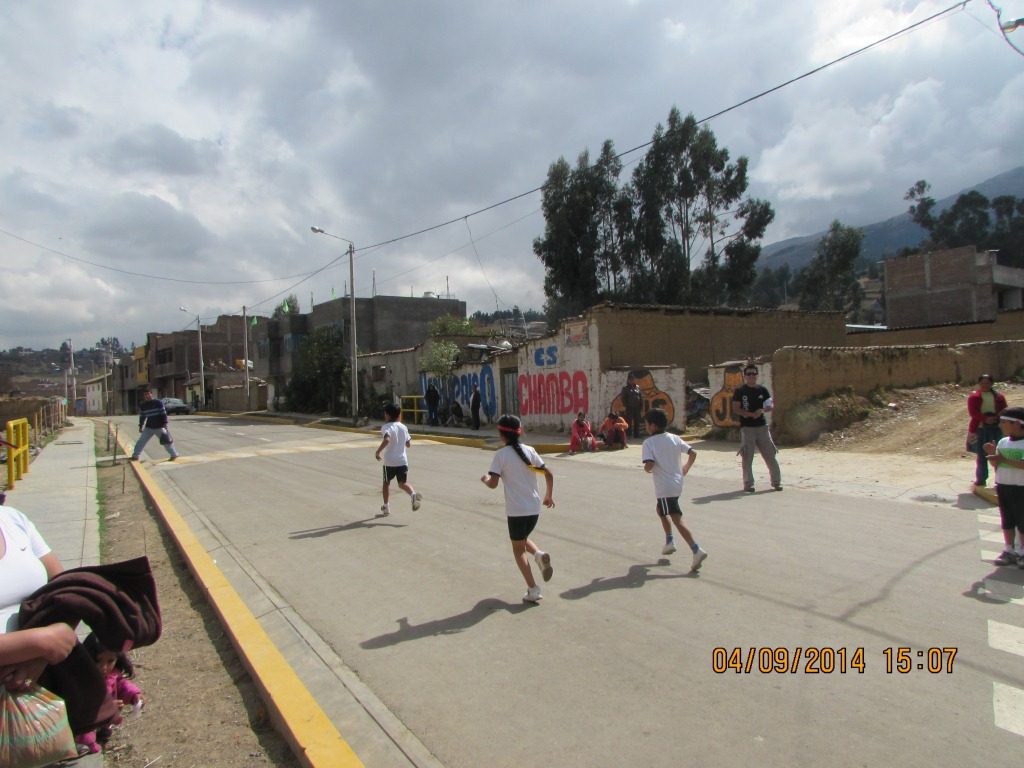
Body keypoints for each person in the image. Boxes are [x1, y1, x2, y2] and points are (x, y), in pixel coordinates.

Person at [480, 415, 555, 603]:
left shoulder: (501, 456)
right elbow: (548, 473)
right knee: (521, 539)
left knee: (518, 549)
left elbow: (493, 484)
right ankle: (539, 555)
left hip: (517, 510)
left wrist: (485, 479)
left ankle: (533, 589)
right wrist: (548, 495)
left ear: (501, 434)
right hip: (534, 509)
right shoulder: (530, 451)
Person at [0, 504, 73, 693]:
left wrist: (39, 659)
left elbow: (65, 590)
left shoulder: (12, 519)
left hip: (39, 684)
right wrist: (40, 642)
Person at [641, 408, 708, 571]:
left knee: (676, 519)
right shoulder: (674, 438)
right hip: (677, 484)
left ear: (653, 425)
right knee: (661, 510)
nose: (646, 427)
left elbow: (649, 464)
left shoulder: (649, 443)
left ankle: (696, 549)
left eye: (647, 424)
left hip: (665, 487)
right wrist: (685, 468)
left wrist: (647, 469)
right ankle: (669, 541)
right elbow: (693, 453)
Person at [76, 633, 144, 753]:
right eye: (98, 661)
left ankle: (100, 731)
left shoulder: (112, 675)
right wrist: (106, 708)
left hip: (102, 724)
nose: (104, 667)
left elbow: (122, 685)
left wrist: (134, 695)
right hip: (84, 725)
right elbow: (81, 706)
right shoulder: (82, 680)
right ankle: (84, 742)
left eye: (110, 661)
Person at [731, 364, 782, 492]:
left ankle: (776, 482)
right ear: (745, 376)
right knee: (747, 457)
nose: (751, 376)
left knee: (770, 455)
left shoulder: (762, 390)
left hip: (762, 427)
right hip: (747, 428)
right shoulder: (740, 391)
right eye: (749, 374)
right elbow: (736, 408)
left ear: (757, 375)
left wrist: (762, 410)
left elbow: (770, 405)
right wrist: (749, 414)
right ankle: (748, 484)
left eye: (754, 374)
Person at [985, 406, 1024, 566]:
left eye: (1004, 422)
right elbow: (997, 465)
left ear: (1017, 424)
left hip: (1021, 487)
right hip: (1003, 486)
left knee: (1022, 521)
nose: (1001, 425)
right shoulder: (1003, 442)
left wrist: (1003, 459)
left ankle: (1022, 552)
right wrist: (992, 454)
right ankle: (1009, 550)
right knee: (1007, 520)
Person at [375, 402, 422, 516]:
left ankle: (386, 507)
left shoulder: (386, 427)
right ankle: (413, 494)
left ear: (388, 415)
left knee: (386, 483)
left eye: (385, 414)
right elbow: (408, 444)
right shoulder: (403, 427)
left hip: (390, 462)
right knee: (402, 483)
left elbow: (387, 439)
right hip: (402, 461)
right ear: (399, 415)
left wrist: (378, 451)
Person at [968, 373, 1007, 487]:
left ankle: (1000, 480)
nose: (985, 385)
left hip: (996, 428)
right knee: (981, 455)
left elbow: (1004, 410)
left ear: (991, 384)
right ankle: (981, 479)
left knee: (998, 453)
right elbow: (973, 412)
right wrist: (985, 419)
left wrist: (996, 418)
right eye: (982, 383)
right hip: (980, 428)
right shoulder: (974, 397)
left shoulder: (999, 397)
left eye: (987, 383)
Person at [131, 388, 178, 462]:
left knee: (166, 441)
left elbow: (163, 414)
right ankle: (135, 456)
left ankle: (174, 455)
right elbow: (142, 416)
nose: (147, 396)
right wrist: (141, 426)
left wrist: (165, 424)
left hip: (159, 426)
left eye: (148, 394)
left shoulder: (158, 402)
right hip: (149, 427)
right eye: (145, 395)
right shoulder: (143, 405)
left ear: (151, 394)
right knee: (141, 441)